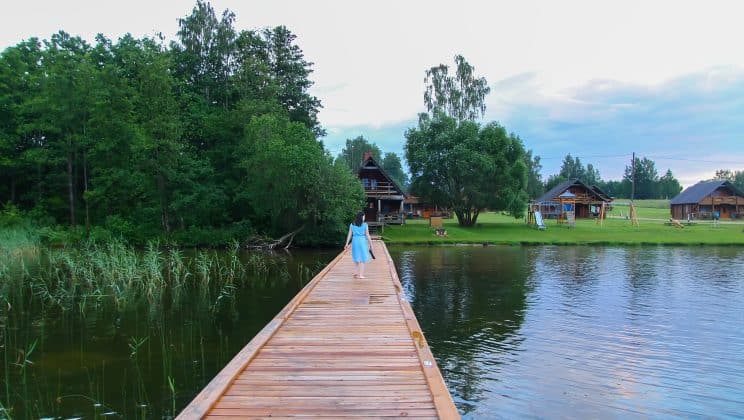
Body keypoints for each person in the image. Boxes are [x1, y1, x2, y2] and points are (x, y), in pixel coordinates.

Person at [344, 211, 373, 278]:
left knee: (356, 256)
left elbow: (349, 234)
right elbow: (367, 235)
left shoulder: (352, 224)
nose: (364, 218)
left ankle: (355, 272)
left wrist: (347, 243)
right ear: (362, 217)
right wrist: (371, 244)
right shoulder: (365, 225)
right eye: (364, 216)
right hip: (362, 241)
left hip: (355, 241)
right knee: (362, 258)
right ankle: (361, 275)